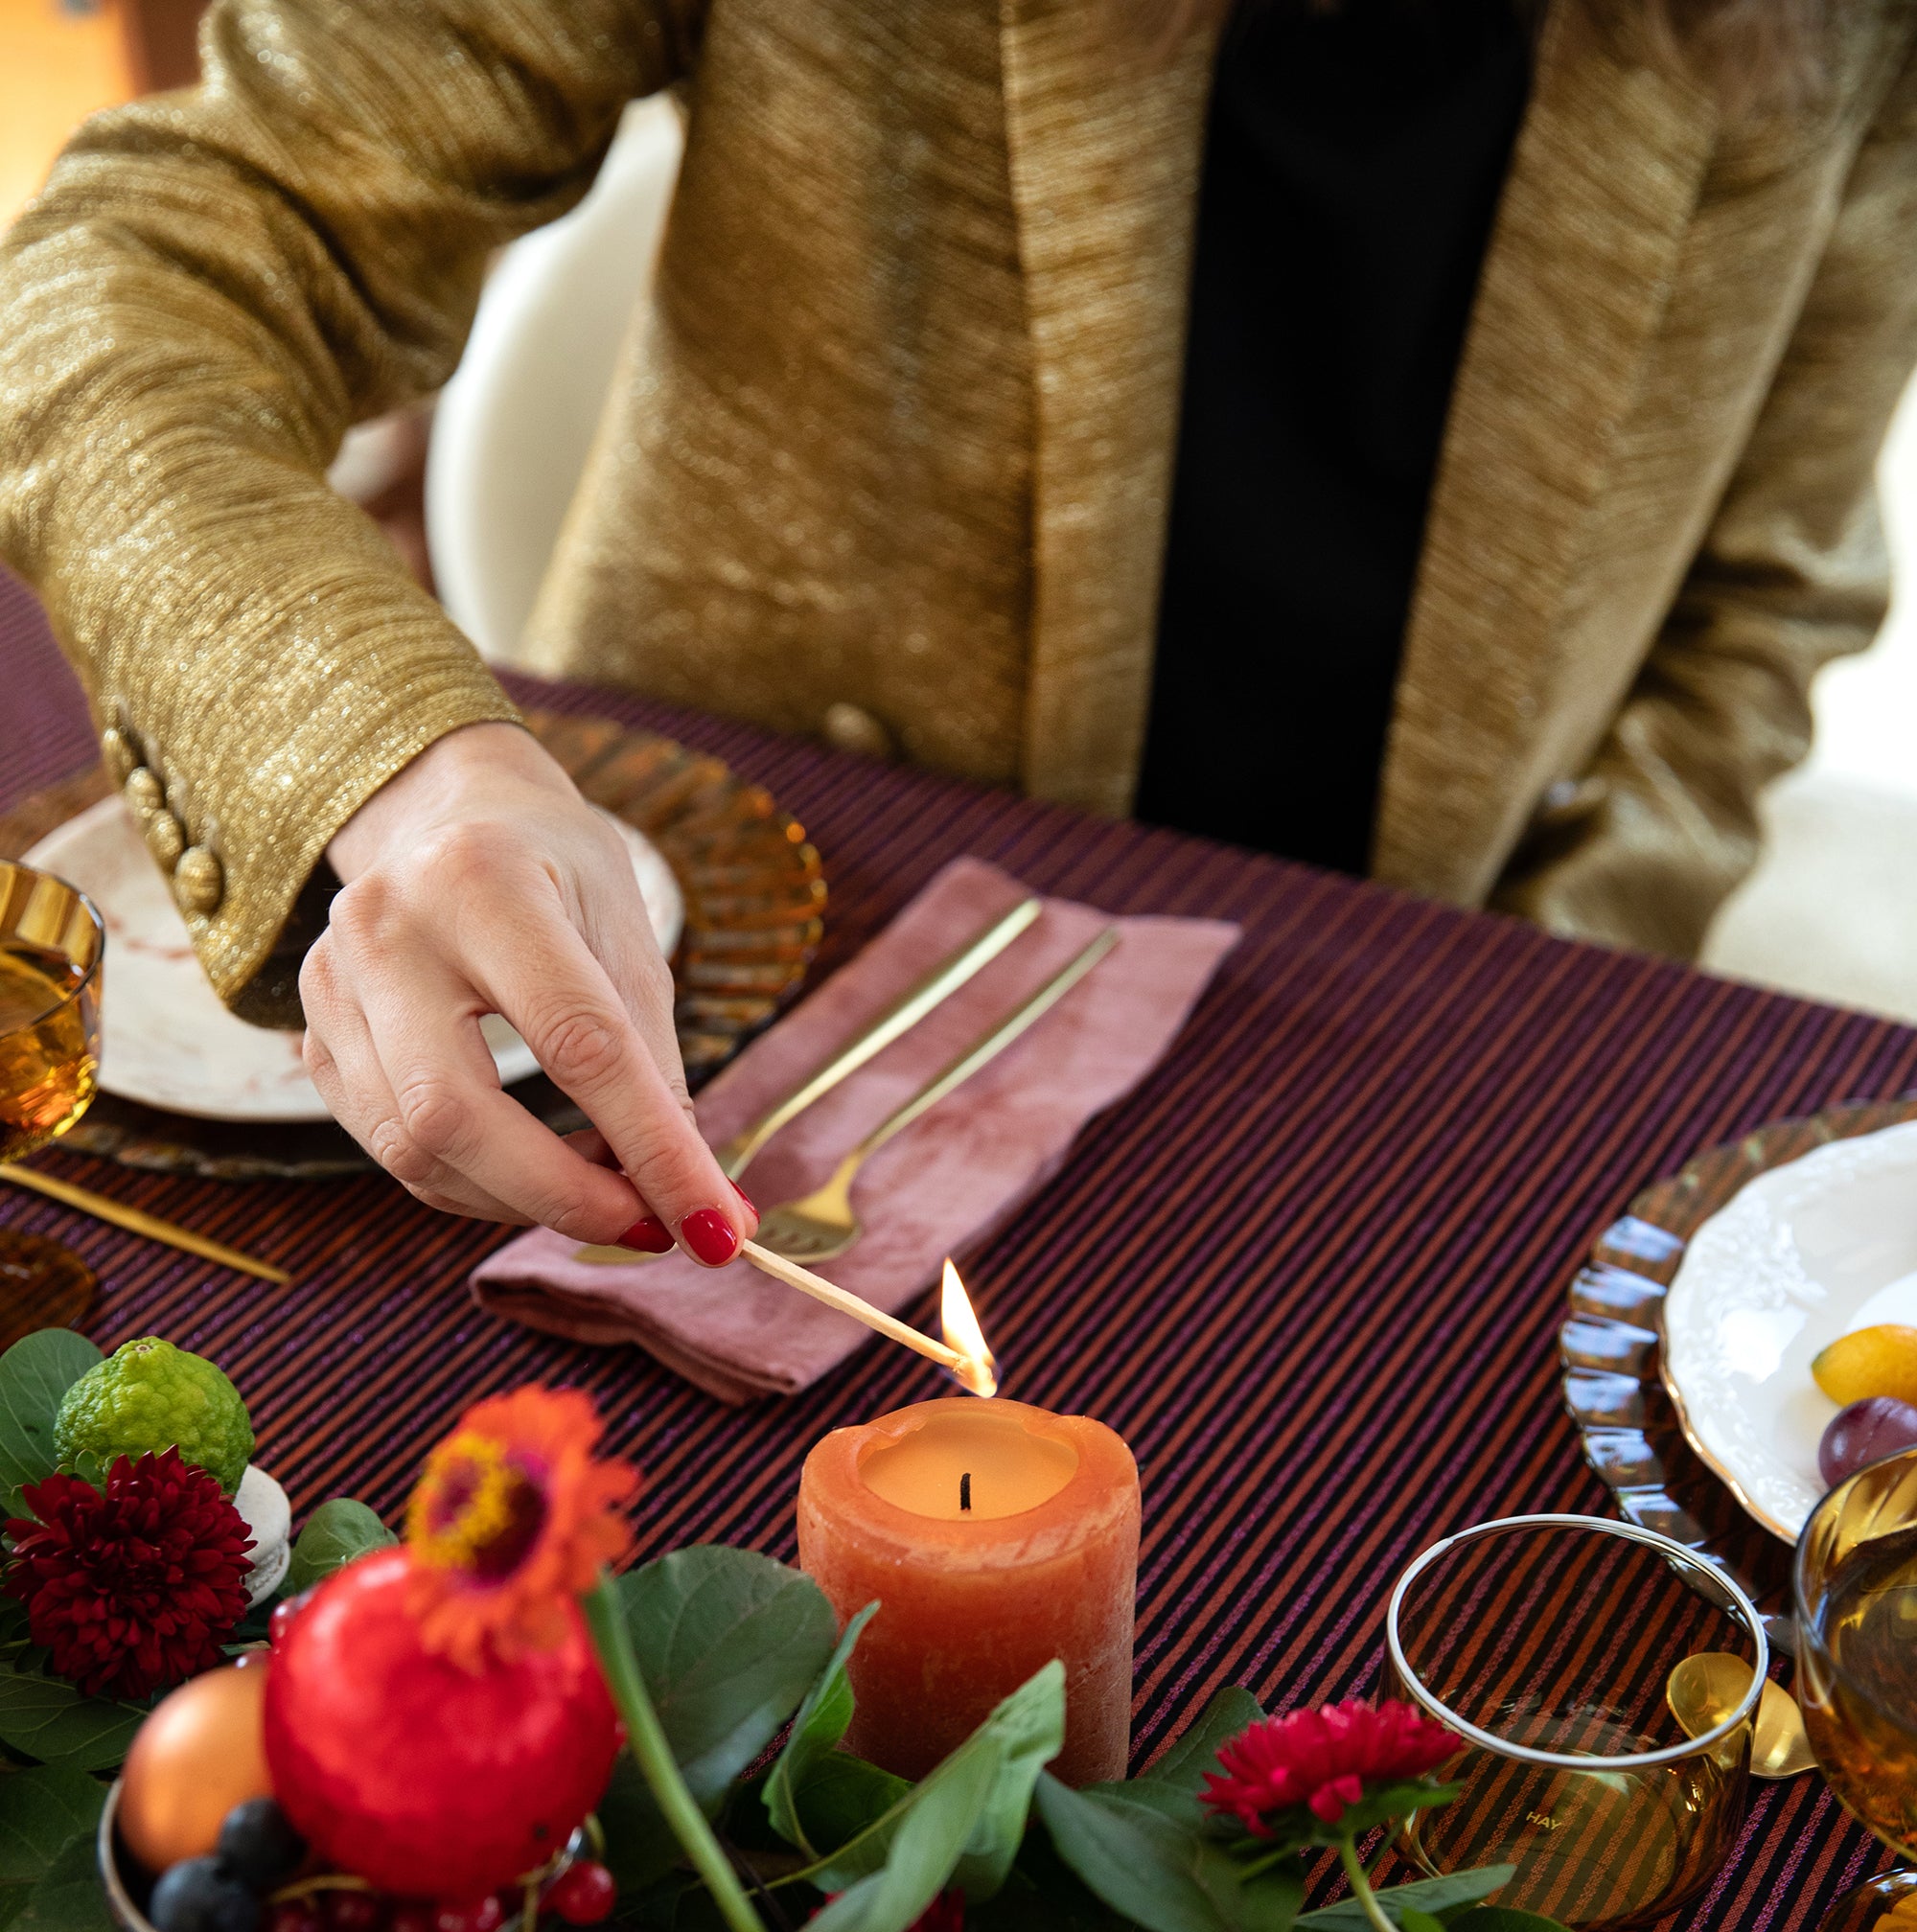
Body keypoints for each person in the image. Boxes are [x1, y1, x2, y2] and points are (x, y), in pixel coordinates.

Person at [1, 0, 1913, 1254]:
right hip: (742, 988)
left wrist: (1519, 1004)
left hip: (1363, 1017)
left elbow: (1767, 595)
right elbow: (129, 284)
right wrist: (397, 771)